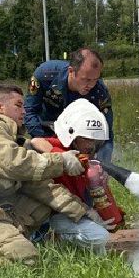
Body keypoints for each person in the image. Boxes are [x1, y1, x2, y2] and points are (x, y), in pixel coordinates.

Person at [0, 84, 111, 264]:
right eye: (18, 105)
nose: (24, 112)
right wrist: (61, 161)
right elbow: (13, 163)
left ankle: (18, 240)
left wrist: (84, 211)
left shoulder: (11, 139)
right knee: (27, 261)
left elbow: (42, 187)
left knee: (44, 207)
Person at [43, 98, 125, 230]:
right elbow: (36, 142)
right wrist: (63, 157)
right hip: (54, 213)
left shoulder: (87, 159)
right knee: (95, 236)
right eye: (87, 139)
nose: (91, 146)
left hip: (75, 209)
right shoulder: (57, 147)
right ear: (71, 136)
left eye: (96, 141)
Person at [23, 48, 114, 160]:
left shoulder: (100, 91)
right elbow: (29, 110)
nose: (91, 85)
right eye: (86, 79)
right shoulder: (45, 75)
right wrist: (44, 141)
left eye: (95, 79)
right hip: (44, 130)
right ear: (71, 71)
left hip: (76, 137)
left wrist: (102, 163)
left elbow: (106, 130)